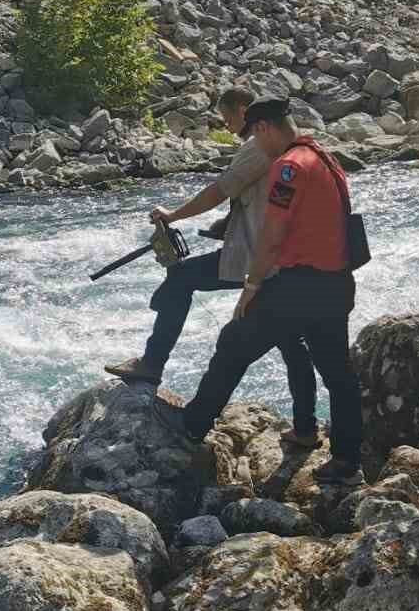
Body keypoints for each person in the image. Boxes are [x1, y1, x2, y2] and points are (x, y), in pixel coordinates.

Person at [154, 96, 364, 486]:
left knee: (233, 341)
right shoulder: (324, 157)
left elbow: (272, 235)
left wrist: (250, 287)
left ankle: (193, 424)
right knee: (339, 375)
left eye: (254, 134)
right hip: (337, 284)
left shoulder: (287, 167)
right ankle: (346, 462)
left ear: (265, 128)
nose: (255, 142)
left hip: (299, 286)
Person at [105, 85, 320, 447]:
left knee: (181, 278)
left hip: (260, 257)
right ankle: (306, 426)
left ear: (245, 112)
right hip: (283, 260)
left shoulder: (258, 146)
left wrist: (173, 214)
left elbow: (220, 190)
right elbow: (255, 199)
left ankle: (154, 367)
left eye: (228, 118)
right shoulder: (296, 146)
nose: (229, 125)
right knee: (291, 342)